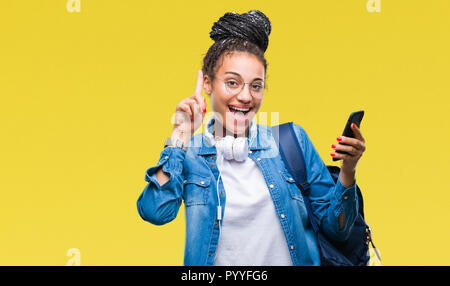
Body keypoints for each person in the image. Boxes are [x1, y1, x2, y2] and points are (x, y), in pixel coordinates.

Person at [136, 10, 366, 266]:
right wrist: (179, 137)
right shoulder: (191, 155)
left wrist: (348, 170)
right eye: (232, 83)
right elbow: (155, 211)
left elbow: (338, 229)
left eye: (256, 86)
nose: (246, 97)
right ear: (207, 84)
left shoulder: (291, 142)